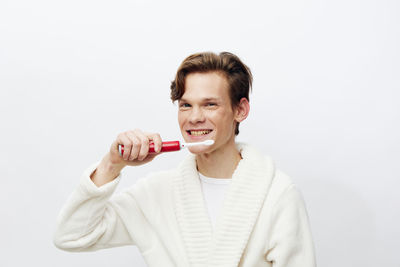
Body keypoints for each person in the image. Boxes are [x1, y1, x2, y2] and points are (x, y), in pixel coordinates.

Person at [54, 52, 317, 267]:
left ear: (240, 109)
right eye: (185, 105)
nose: (194, 118)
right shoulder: (157, 193)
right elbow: (72, 236)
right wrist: (112, 164)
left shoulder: (277, 195)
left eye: (210, 104)